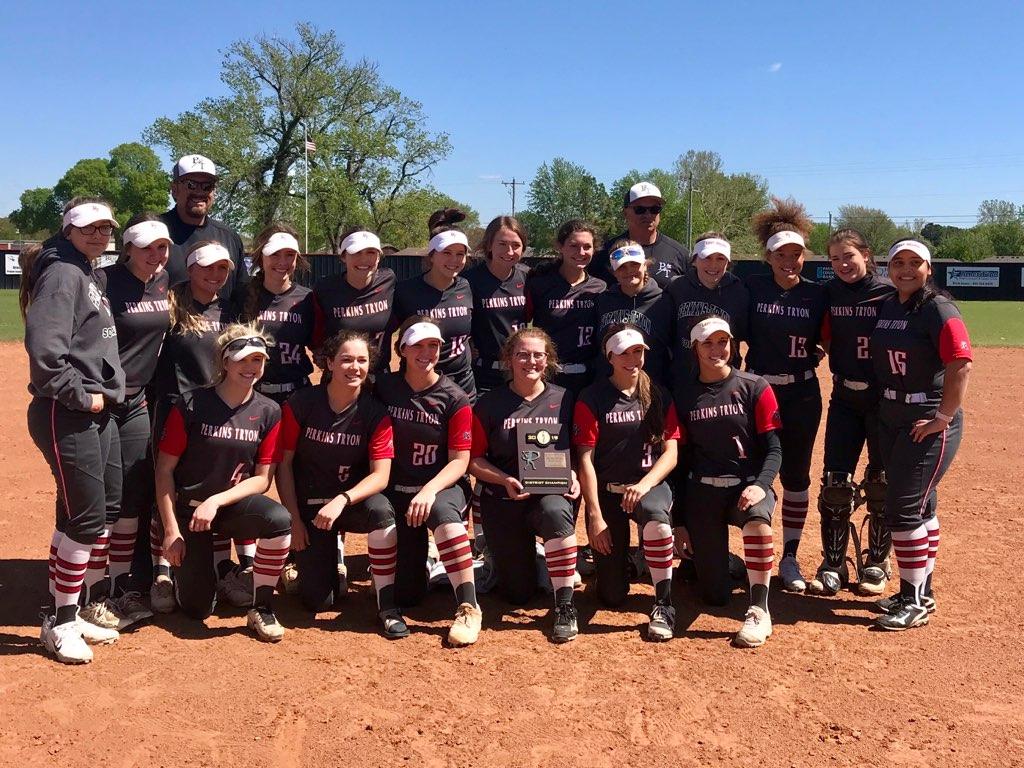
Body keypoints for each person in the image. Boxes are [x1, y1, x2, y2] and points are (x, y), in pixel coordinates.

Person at [25, 198, 125, 663]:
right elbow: (46, 353)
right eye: (89, 228)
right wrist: (81, 396)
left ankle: (65, 610)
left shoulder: (85, 270)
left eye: (106, 228)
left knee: (82, 514)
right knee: (86, 518)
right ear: (68, 230)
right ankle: (61, 623)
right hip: (67, 411)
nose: (99, 235)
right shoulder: (63, 273)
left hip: (90, 410)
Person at [154, 323, 291, 642]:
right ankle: (189, 571)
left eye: (257, 360)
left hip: (229, 507)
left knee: (279, 521)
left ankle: (262, 605)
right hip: (191, 512)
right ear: (225, 361)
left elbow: (262, 480)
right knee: (197, 609)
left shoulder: (269, 411)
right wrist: (172, 530)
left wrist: (216, 501)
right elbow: (164, 470)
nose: (250, 367)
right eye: (242, 359)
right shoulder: (192, 403)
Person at [275, 331, 409, 639]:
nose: (355, 367)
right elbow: (284, 465)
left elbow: (381, 476)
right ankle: (322, 560)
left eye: (362, 360)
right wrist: (294, 520)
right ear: (329, 364)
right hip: (312, 508)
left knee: (381, 511)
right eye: (346, 360)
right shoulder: (301, 403)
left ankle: (387, 605)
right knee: (317, 601)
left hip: (350, 504)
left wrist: (343, 499)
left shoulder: (375, 411)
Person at [869, 239, 971, 630]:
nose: (906, 270)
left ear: (929, 268)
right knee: (922, 507)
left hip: (925, 417)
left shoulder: (938, 307)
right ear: (888, 268)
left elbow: (961, 363)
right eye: (899, 263)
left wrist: (942, 417)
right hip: (893, 413)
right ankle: (920, 592)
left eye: (915, 263)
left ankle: (913, 602)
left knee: (903, 508)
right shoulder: (891, 305)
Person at [675, 317, 782, 647]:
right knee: (714, 596)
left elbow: (774, 448)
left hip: (745, 486)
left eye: (723, 342)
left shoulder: (755, 386)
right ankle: (726, 562)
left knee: (757, 520)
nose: (716, 349)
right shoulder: (684, 394)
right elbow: (680, 460)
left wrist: (761, 485)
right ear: (695, 349)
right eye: (707, 343)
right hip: (703, 490)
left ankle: (760, 609)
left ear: (733, 345)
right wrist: (679, 521)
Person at [469, 328, 581, 643]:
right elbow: (473, 460)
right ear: (509, 359)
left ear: (548, 360)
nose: (530, 361)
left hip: (549, 494)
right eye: (522, 354)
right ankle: (530, 560)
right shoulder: (489, 403)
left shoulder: (564, 399)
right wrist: (504, 479)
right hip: (504, 499)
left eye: (537, 355)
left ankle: (565, 605)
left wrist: (573, 474)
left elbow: (579, 450)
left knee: (555, 512)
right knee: (517, 595)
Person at [376, 317, 482, 646]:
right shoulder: (384, 387)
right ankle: (426, 562)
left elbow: (460, 461)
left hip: (441, 485)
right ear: (402, 349)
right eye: (418, 345)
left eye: (433, 345)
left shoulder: (454, 397)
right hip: (398, 490)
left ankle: (469, 607)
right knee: (408, 596)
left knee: (445, 518)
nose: (426, 352)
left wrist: (429, 490)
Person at [149, 241, 240, 612]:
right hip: (175, 409)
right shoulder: (171, 306)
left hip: (218, 411)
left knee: (215, 485)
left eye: (222, 268)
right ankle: (161, 572)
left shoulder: (231, 310)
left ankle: (222, 568)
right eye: (207, 267)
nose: (215, 275)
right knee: (167, 484)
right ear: (189, 269)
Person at [574, 325, 679, 640]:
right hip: (609, 492)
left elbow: (671, 453)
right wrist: (594, 515)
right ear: (609, 357)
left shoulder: (658, 394)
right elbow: (585, 460)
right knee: (611, 596)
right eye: (624, 353)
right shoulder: (592, 397)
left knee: (657, 522)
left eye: (638, 352)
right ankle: (630, 562)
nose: (632, 359)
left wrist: (644, 485)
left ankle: (664, 603)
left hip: (648, 486)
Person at [745, 198, 828, 593]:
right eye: (781, 254)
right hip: (759, 391)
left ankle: (790, 556)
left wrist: (821, 348)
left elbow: (833, 335)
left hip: (801, 392)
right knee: (751, 471)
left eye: (796, 254)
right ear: (768, 256)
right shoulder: (751, 288)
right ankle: (749, 551)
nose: (790, 261)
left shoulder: (818, 294)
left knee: (796, 475)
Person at [96, 213, 173, 628]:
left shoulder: (163, 281)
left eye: (162, 247)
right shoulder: (105, 281)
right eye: (146, 247)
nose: (155, 255)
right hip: (101, 402)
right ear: (127, 248)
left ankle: (119, 586)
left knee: (133, 494)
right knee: (102, 498)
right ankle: (90, 590)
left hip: (138, 400)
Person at [810, 229, 896, 595]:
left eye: (849, 256)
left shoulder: (889, 293)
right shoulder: (829, 293)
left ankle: (877, 561)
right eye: (834, 259)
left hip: (883, 399)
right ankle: (834, 564)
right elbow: (823, 337)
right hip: (845, 396)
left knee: (881, 483)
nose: (842, 264)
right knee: (835, 482)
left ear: (866, 254)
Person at [389, 215, 475, 399]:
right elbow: (386, 332)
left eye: (460, 254)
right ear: (432, 255)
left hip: (462, 386)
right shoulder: (406, 290)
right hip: (418, 386)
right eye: (446, 252)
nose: (454, 259)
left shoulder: (466, 287)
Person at [235, 222, 316, 404]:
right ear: (261, 257)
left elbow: (319, 347)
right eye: (274, 254)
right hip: (253, 398)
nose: (282, 262)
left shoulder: (308, 299)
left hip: (298, 397)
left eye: (289, 255)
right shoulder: (241, 296)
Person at [524, 220, 606, 394]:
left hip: (588, 378)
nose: (581, 252)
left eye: (587, 247)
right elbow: (518, 322)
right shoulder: (539, 284)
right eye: (574, 246)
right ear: (559, 247)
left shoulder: (600, 288)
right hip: (547, 376)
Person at [160, 154, 247, 296]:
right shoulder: (155, 232)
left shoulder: (229, 237)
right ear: (174, 189)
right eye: (191, 185)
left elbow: (242, 294)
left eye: (207, 186)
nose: (199, 192)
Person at [667, 233, 750, 384]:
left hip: (723, 379)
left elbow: (743, 335)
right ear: (694, 260)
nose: (713, 265)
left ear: (728, 262)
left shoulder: (739, 292)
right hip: (682, 378)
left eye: (720, 259)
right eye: (707, 257)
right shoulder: (676, 287)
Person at [312, 228, 396, 371]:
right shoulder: (325, 288)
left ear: (379, 257)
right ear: (343, 256)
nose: (364, 259)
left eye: (371, 252)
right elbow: (314, 329)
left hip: (379, 376)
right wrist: (318, 351)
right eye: (356, 252)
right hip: (340, 375)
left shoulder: (388, 280)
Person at [464, 216, 530, 395]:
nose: (509, 251)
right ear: (489, 245)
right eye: (502, 244)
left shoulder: (528, 277)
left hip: (520, 371)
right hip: (483, 372)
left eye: (516, 245)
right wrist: (468, 342)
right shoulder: (469, 281)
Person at [595, 241, 674, 387]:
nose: (629, 270)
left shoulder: (664, 301)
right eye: (622, 267)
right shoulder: (603, 301)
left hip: (652, 386)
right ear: (613, 272)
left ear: (645, 265)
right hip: (609, 387)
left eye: (635, 264)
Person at [592, 181, 687, 287]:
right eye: (640, 209)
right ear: (625, 213)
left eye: (654, 209)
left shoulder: (679, 254)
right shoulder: (605, 253)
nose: (648, 214)